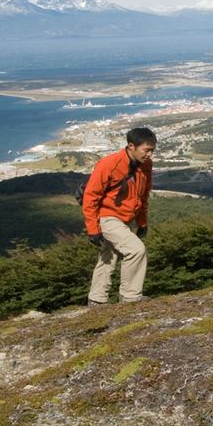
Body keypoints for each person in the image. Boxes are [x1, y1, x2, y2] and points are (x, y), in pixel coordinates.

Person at [83, 127, 156, 304]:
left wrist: (142, 222)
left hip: (125, 219)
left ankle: (97, 299)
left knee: (109, 255)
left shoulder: (146, 165)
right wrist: (92, 229)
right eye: (146, 150)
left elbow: (143, 195)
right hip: (107, 217)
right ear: (131, 146)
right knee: (136, 250)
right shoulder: (110, 163)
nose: (150, 155)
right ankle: (130, 296)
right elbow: (91, 196)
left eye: (152, 150)